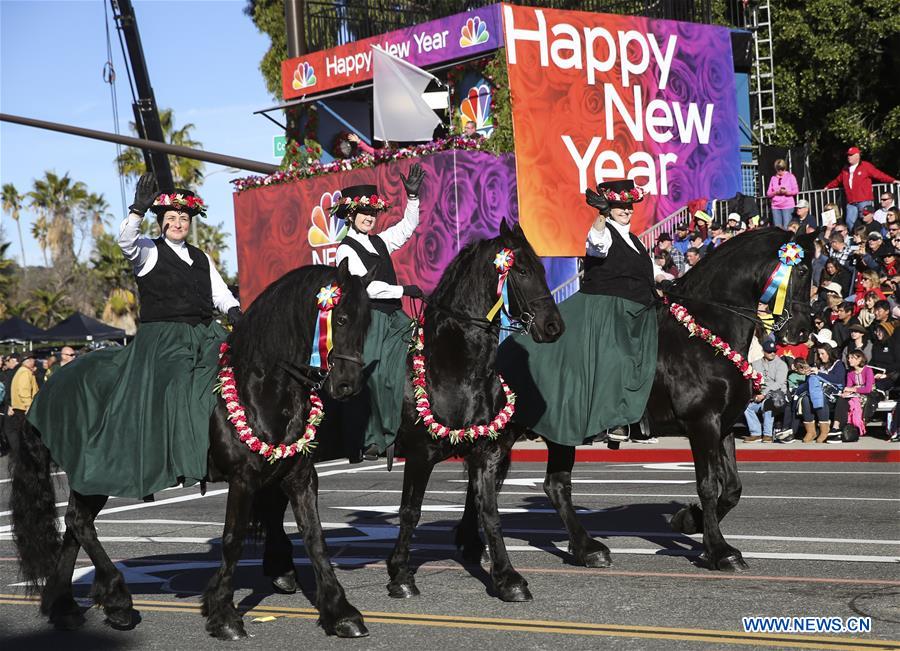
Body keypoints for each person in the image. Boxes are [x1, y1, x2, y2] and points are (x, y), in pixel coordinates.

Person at [26, 175, 241, 498]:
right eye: (171, 218)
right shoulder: (148, 251)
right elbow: (125, 241)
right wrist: (138, 210)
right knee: (179, 385)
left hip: (207, 332)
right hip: (165, 339)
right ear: (161, 222)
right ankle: (186, 458)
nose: (178, 223)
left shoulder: (201, 257)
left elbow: (220, 293)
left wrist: (234, 310)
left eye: (184, 218)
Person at [498, 179, 661, 446]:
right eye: (620, 206)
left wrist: (665, 281)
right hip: (607, 308)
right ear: (610, 208)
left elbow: (648, 272)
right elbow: (597, 245)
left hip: (639, 309)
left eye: (629, 206)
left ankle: (643, 416)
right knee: (615, 358)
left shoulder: (634, 240)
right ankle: (611, 421)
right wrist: (601, 215)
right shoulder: (603, 231)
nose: (626, 210)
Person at [333, 164, 426, 458]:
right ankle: (374, 438)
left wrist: (412, 199)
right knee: (373, 375)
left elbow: (407, 228)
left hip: (395, 317)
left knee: (402, 372)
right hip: (370, 318)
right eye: (364, 213)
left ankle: (399, 430)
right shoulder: (345, 250)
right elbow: (366, 289)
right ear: (351, 216)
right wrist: (403, 290)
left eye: (373, 213)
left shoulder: (379, 241)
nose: (370, 218)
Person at [824, 146, 897, 230]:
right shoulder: (845, 169)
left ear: (857, 156)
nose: (849, 157)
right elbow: (838, 180)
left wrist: (892, 180)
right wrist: (828, 186)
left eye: (851, 155)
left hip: (864, 200)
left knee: (865, 219)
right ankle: (856, 236)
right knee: (849, 221)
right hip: (851, 202)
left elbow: (879, 175)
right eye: (848, 155)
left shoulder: (866, 166)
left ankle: (865, 237)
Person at [798, 345, 846, 443]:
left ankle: (824, 430)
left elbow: (838, 380)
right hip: (817, 393)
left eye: (823, 353)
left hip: (832, 394)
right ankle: (811, 431)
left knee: (821, 397)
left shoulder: (838, 364)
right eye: (819, 354)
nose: (820, 356)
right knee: (806, 399)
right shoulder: (818, 365)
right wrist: (809, 374)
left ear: (829, 353)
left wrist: (818, 373)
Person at [743, 340, 788, 443]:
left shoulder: (781, 364)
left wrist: (763, 394)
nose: (772, 353)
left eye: (774, 351)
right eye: (769, 351)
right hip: (759, 395)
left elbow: (779, 384)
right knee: (745, 405)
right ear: (763, 351)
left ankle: (768, 434)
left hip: (777, 398)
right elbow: (751, 380)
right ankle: (756, 433)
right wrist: (754, 394)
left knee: (768, 403)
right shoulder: (755, 364)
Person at [825, 350, 875, 443]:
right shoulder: (850, 373)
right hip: (855, 395)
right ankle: (836, 427)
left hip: (867, 396)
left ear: (859, 359)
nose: (849, 360)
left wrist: (852, 389)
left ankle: (838, 428)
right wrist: (846, 392)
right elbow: (848, 387)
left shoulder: (868, 370)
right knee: (842, 399)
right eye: (848, 358)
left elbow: (868, 389)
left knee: (846, 401)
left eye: (852, 358)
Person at [766, 159, 799, 229]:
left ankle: (788, 240)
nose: (780, 171)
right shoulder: (773, 178)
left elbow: (796, 190)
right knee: (778, 229)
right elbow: (768, 193)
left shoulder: (790, 176)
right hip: (775, 207)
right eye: (778, 169)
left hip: (788, 206)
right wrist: (776, 192)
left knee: (787, 227)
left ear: (784, 168)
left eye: (782, 169)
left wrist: (787, 192)